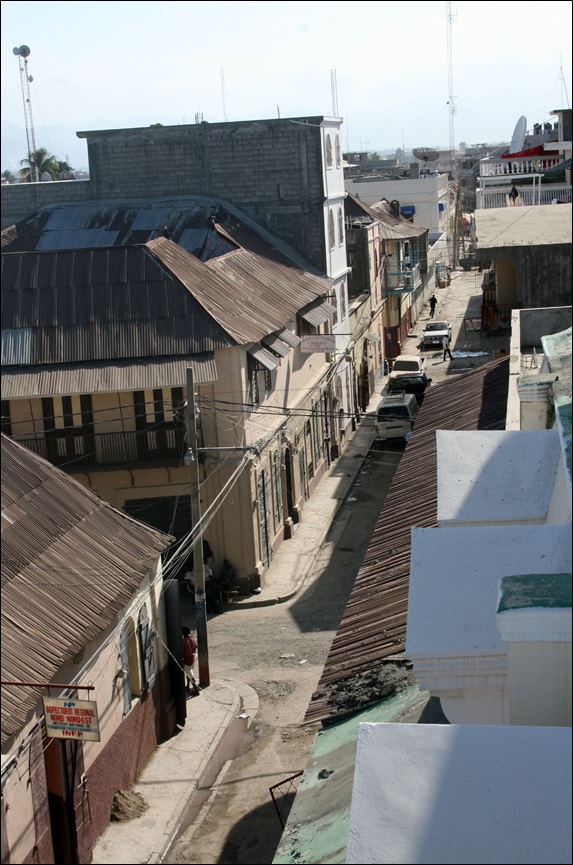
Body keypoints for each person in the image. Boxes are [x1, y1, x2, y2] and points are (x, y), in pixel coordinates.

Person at [182, 626, 200, 696]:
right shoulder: (192, 638)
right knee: (189, 673)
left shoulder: (184, 641)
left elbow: (183, 651)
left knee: (190, 674)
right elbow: (196, 646)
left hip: (187, 660)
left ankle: (196, 690)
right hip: (193, 658)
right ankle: (188, 686)